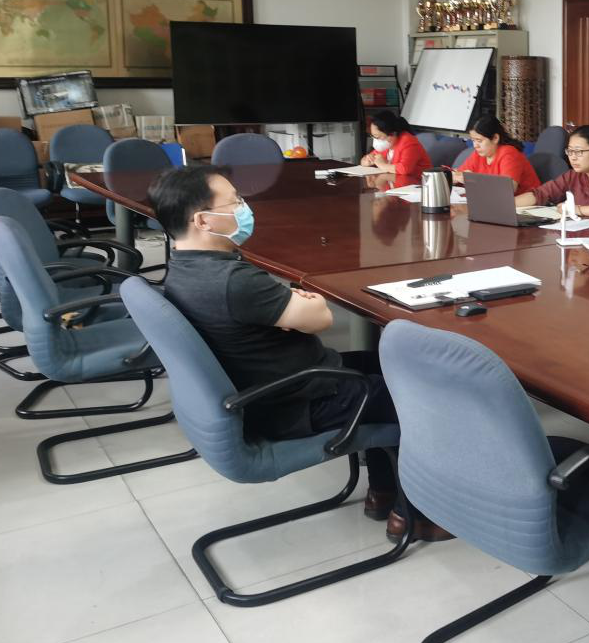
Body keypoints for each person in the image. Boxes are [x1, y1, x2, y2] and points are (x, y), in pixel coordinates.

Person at [148, 165, 451, 544]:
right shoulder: (234, 282)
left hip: (271, 390)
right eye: (234, 202)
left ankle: (383, 492)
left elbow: (287, 314)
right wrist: (307, 304)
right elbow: (320, 318)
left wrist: (293, 307)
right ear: (203, 220)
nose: (244, 209)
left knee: (392, 367)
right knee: (421, 398)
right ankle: (413, 517)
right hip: (299, 401)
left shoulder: (184, 268)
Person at [515, 124, 589, 219]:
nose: (573, 157)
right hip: (582, 234)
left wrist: (577, 210)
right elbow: (542, 193)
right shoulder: (574, 174)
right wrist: (508, 205)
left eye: (578, 152)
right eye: (570, 151)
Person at [452, 114, 540, 192]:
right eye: (473, 140)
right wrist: (455, 177)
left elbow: (508, 189)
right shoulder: (479, 154)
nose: (475, 146)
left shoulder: (509, 154)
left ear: (495, 138)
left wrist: (473, 179)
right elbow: (458, 175)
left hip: (525, 202)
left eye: (479, 141)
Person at [359, 110, 429, 186]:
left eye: (378, 137)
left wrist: (382, 165)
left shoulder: (408, 142)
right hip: (397, 184)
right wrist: (367, 161)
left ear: (392, 133)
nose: (376, 140)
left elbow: (404, 169)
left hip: (418, 185)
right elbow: (366, 159)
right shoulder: (386, 145)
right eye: (373, 136)